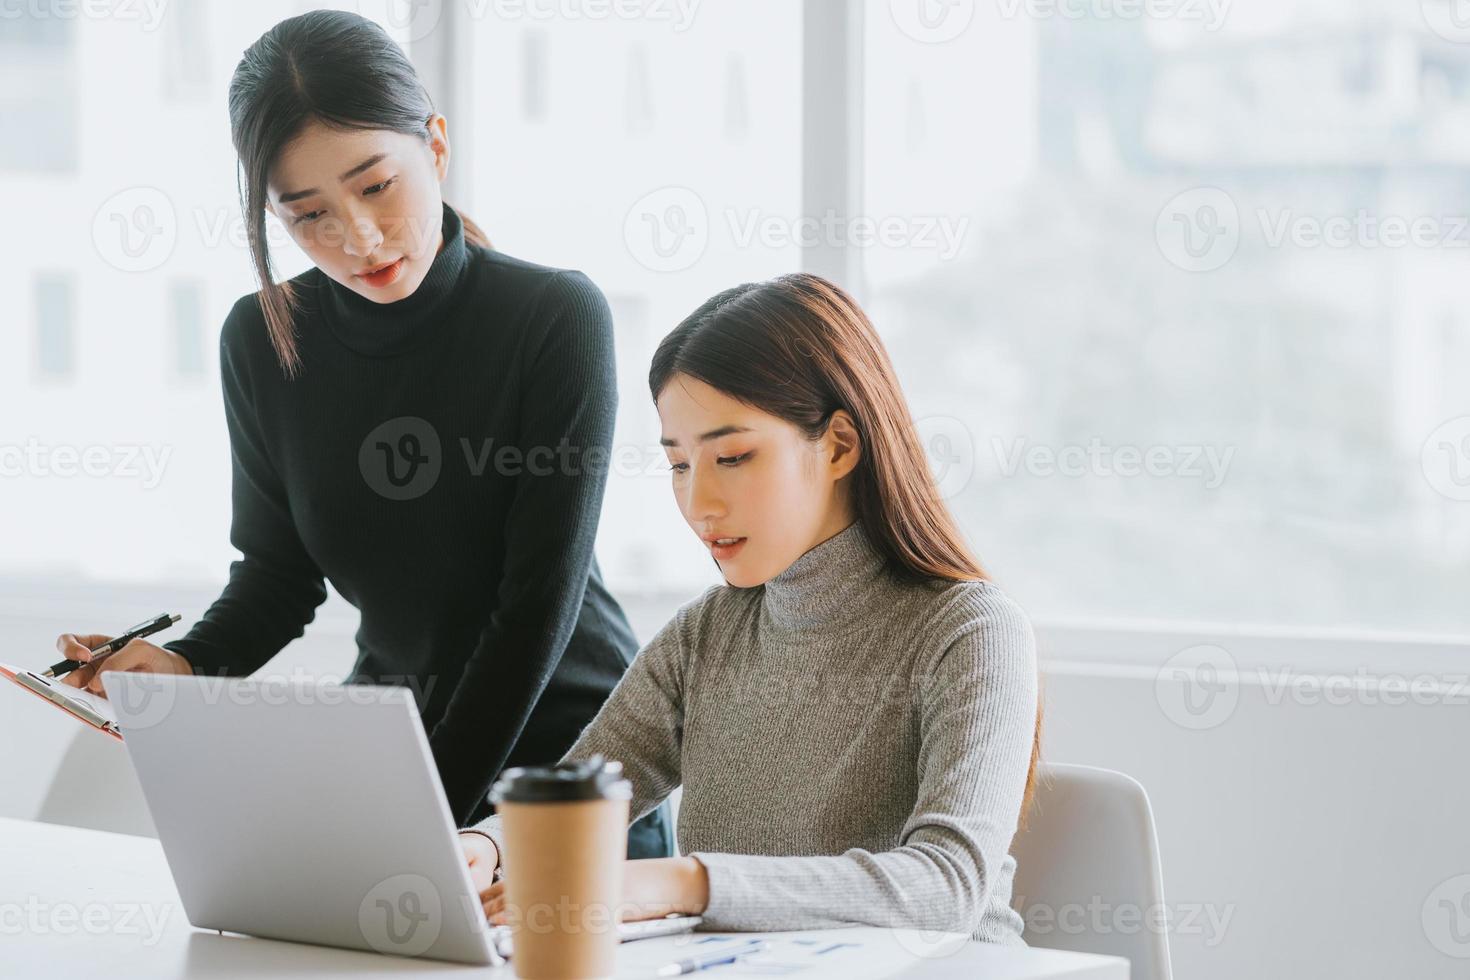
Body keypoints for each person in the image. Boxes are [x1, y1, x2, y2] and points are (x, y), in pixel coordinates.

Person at [52, 9, 672, 856]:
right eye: (308, 216)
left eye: (377, 185)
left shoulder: (552, 318)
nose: (359, 238)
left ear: (437, 147)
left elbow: (534, 611)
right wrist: (187, 665)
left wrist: (421, 819)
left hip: (561, 769)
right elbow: (277, 577)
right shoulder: (263, 340)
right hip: (392, 757)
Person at [458, 273, 1042, 942]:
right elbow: (583, 791)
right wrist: (488, 845)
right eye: (679, 465)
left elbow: (947, 887)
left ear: (841, 446)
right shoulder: (709, 631)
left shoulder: (971, 630)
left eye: (732, 456)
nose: (699, 503)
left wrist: (681, 884)